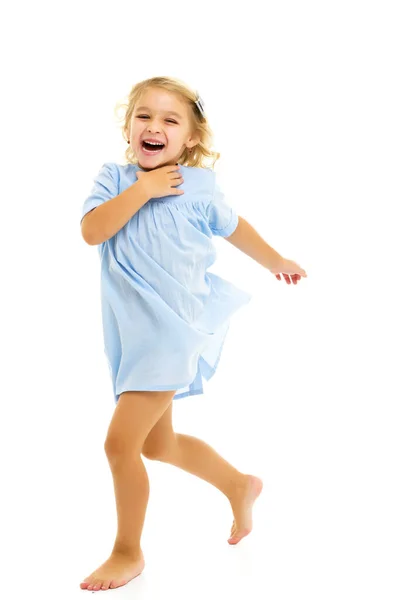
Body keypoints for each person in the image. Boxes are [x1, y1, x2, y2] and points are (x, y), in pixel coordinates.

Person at [79, 76, 307, 592]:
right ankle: (238, 484)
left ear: (191, 140)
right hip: (132, 336)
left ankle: (127, 551)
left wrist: (276, 261)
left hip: (173, 331)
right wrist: (142, 189)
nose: (154, 126)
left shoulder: (199, 186)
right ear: (129, 126)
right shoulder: (114, 179)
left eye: (169, 120)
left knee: (119, 446)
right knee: (157, 445)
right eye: (144, 116)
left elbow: (234, 226)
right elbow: (93, 231)